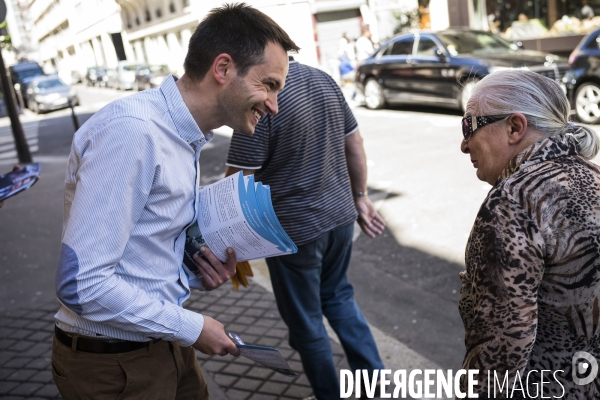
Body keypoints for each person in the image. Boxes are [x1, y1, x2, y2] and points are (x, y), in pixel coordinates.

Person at [51, 4, 299, 400]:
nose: (273, 105)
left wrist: (196, 273)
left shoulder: (184, 134)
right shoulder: (134, 133)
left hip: (164, 346)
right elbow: (82, 283)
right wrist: (192, 327)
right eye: (268, 85)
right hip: (116, 366)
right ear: (222, 68)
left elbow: (143, 247)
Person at [226, 57, 385, 400]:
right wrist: (361, 197)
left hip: (293, 233)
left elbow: (237, 183)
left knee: (306, 321)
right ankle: (376, 386)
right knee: (339, 296)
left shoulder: (259, 96)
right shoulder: (323, 79)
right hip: (340, 219)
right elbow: (354, 144)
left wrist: (233, 239)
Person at [458, 69, 600, 398]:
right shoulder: (593, 175)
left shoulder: (513, 202)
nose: (464, 144)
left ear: (515, 127)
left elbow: (499, 352)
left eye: (469, 127)